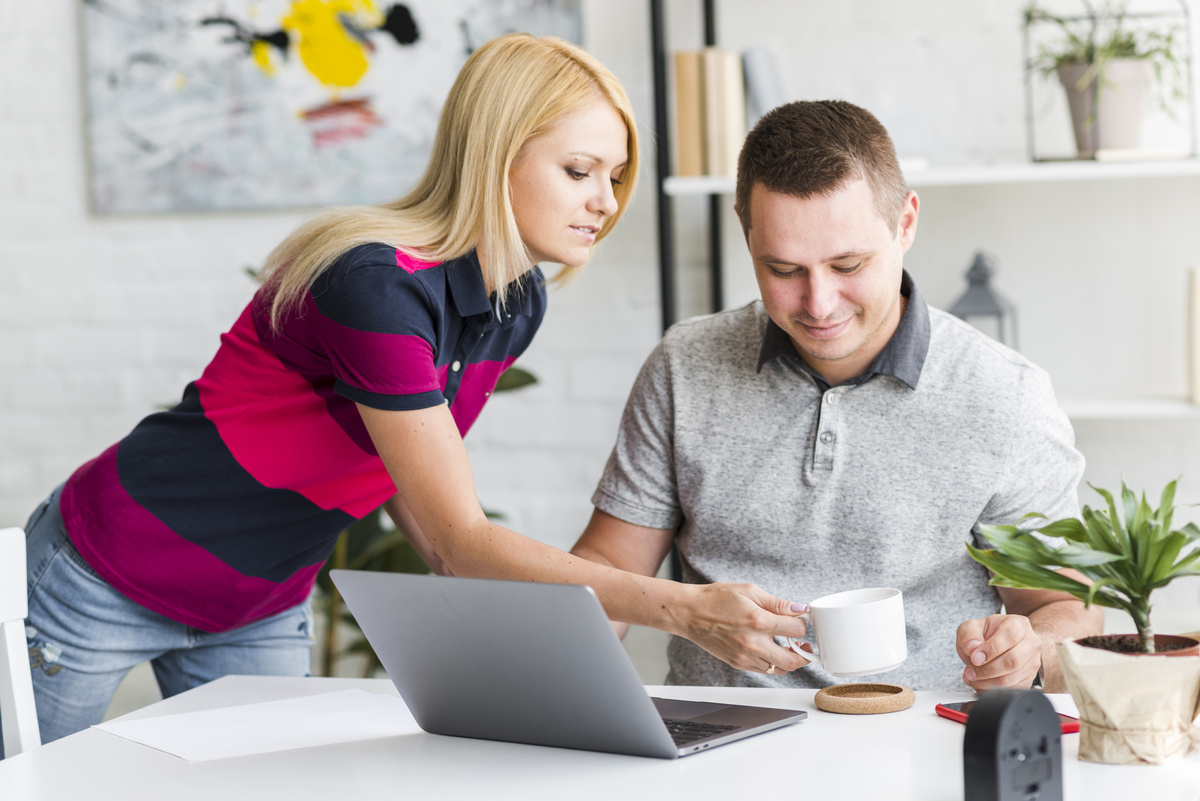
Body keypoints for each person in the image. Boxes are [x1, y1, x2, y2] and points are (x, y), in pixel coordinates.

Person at [10, 34, 809, 754]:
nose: (604, 200)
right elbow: (462, 533)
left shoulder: (516, 301)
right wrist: (684, 607)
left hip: (258, 602)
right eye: (579, 170)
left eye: (614, 175)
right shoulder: (374, 285)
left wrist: (498, 650)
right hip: (106, 573)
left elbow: (415, 488)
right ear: (495, 155)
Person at [571, 100, 1103, 693]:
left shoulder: (1006, 395)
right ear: (747, 236)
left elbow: (1068, 609)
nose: (819, 304)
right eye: (783, 269)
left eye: (847, 264)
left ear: (905, 224)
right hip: (715, 742)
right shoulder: (684, 365)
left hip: (916, 740)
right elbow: (612, 569)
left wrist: (1030, 652)